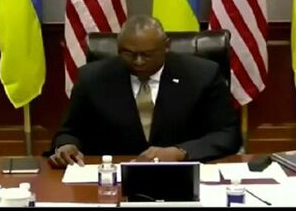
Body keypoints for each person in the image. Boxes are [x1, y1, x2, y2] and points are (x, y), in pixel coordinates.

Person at [48, 15, 241, 167]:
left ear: (166, 46)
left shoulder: (202, 75)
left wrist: (180, 152)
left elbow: (227, 134)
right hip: (111, 178)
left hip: (182, 174)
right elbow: (69, 132)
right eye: (129, 54)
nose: (138, 61)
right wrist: (66, 146)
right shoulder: (92, 78)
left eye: (147, 55)